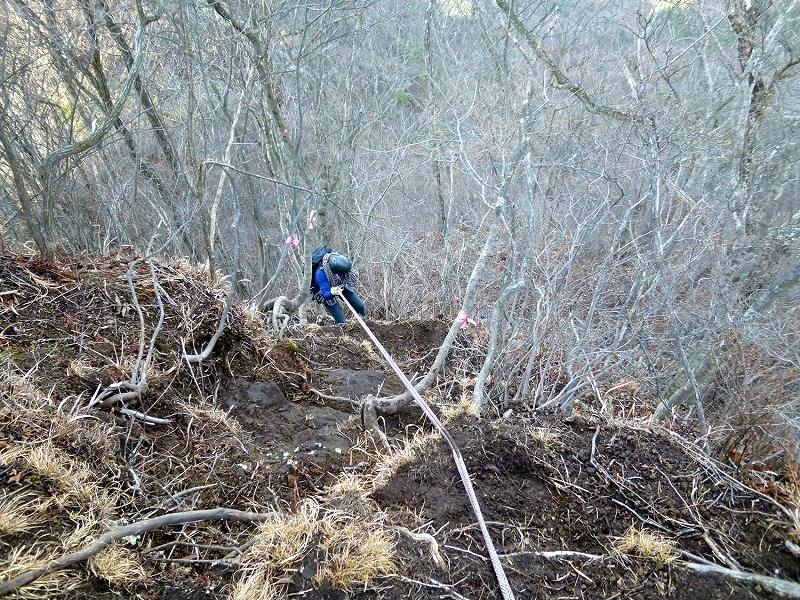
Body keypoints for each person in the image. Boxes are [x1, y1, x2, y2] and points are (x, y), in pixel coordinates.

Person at [310, 246, 367, 324]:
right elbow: (326, 294)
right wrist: (333, 292)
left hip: (339, 282)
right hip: (324, 290)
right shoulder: (320, 273)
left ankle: (364, 322)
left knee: (360, 307)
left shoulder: (340, 259)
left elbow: (349, 278)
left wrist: (343, 284)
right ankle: (340, 328)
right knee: (341, 322)